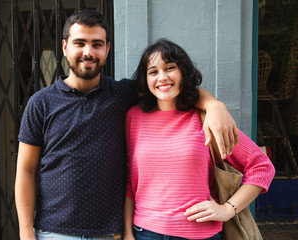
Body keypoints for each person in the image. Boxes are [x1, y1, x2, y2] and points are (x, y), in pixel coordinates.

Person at [15, 9, 239, 240]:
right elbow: (26, 170)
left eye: (97, 44)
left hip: (109, 233)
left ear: (107, 49)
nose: (88, 52)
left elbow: (168, 87)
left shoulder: (123, 94)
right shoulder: (41, 103)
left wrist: (213, 105)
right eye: (79, 43)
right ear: (65, 47)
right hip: (54, 231)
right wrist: (25, 232)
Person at [123, 39, 275, 240]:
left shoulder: (206, 118)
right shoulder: (134, 117)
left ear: (183, 73)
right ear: (146, 79)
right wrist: (127, 234)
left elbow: (262, 166)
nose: (162, 77)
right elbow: (130, 184)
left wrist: (228, 209)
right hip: (145, 233)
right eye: (153, 71)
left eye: (170, 68)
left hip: (200, 234)